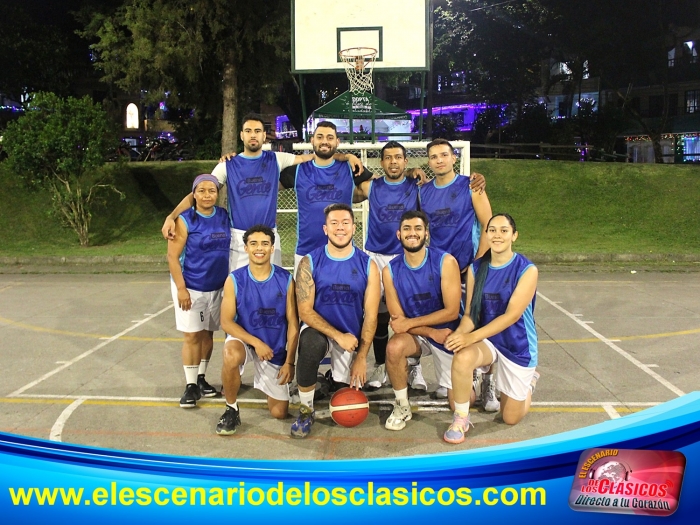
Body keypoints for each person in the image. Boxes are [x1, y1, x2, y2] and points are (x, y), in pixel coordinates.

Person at [353, 141, 486, 392]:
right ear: (381, 163)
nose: (393, 162)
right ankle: (383, 363)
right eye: (388, 158)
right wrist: (346, 157)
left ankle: (459, 370)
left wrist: (478, 179)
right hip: (378, 257)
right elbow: (344, 192)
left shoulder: (417, 187)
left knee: (448, 314)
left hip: (412, 258)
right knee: (381, 316)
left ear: (407, 162)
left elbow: (484, 219)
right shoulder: (373, 186)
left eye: (398, 158)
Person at [161, 113, 362, 271]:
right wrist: (172, 216)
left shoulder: (276, 159)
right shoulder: (228, 165)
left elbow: (316, 155)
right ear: (241, 135)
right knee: (241, 295)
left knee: (273, 292)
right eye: (248, 131)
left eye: (257, 130)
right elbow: (200, 194)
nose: (253, 134)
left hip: (270, 236)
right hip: (239, 238)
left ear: (264, 135)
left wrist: (346, 156)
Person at [443, 214, 539, 444]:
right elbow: (470, 315)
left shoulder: (526, 269)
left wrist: (471, 336)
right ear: (485, 235)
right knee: (462, 357)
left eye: (504, 230)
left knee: (510, 418)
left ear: (514, 235)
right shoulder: (477, 269)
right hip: (489, 340)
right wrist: (460, 335)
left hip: (517, 344)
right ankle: (461, 418)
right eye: (492, 230)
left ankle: (529, 383)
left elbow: (511, 315)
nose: (497, 235)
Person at [291, 203, 381, 438]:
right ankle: (306, 409)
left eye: (345, 223)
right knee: (311, 345)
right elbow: (305, 311)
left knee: (344, 395)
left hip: (350, 337)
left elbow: (371, 316)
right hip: (320, 329)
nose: (340, 228)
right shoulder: (309, 262)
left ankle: (332, 379)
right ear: (325, 229)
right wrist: (336, 335)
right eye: (334, 223)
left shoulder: (368, 265)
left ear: (354, 226)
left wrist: (362, 357)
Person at [420, 138, 496, 407]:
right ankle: (451, 378)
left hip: (470, 268)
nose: (439, 160)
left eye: (444, 155)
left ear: (454, 158)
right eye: (433, 156)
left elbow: (488, 224)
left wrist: (477, 264)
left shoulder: (471, 185)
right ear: (428, 162)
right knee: (449, 323)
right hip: (443, 271)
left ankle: (489, 381)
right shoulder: (423, 192)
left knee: (480, 321)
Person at [382, 211, 462, 430]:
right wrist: (428, 331)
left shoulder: (446, 262)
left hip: (449, 334)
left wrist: (411, 324)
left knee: (461, 405)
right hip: (424, 334)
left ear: (426, 234)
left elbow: (452, 312)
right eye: (407, 229)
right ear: (399, 234)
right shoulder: (389, 271)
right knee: (394, 346)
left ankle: (474, 374)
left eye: (418, 229)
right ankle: (401, 404)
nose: (412, 233)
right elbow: (399, 322)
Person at [216, 225, 299, 435]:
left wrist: (290, 362)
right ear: (246, 248)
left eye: (264, 243)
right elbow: (226, 322)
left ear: (272, 248)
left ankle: (270, 385)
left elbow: (293, 325)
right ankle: (231, 408)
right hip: (246, 339)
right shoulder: (234, 279)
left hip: (274, 346)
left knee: (279, 412)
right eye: (253, 243)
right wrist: (256, 343)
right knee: (231, 354)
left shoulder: (286, 280)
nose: (259, 248)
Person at [166, 174, 230, 408]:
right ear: (193, 194)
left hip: (216, 286)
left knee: (208, 334)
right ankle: (190, 385)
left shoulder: (223, 216)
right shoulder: (185, 220)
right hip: (191, 286)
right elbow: (172, 257)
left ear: (217, 193)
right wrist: (181, 288)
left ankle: (202, 378)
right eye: (201, 191)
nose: (206, 195)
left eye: (211, 190)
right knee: (192, 335)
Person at [279, 121, 373, 273]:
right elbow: (267, 186)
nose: (324, 141)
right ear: (312, 140)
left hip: (344, 252)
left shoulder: (351, 167)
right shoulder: (297, 170)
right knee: (304, 297)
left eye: (330, 138)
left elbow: (382, 185)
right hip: (306, 252)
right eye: (320, 137)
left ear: (337, 142)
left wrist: (409, 174)